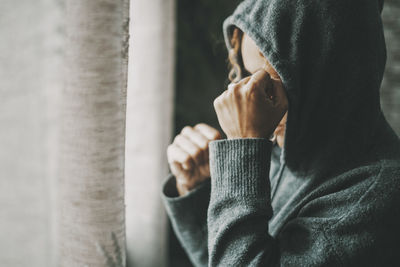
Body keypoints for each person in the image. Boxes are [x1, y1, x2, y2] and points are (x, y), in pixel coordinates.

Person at [161, 0, 400, 266]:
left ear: (336, 78)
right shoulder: (285, 156)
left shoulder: (377, 197)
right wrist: (197, 187)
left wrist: (243, 149)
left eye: (277, 81)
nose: (257, 104)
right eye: (250, 76)